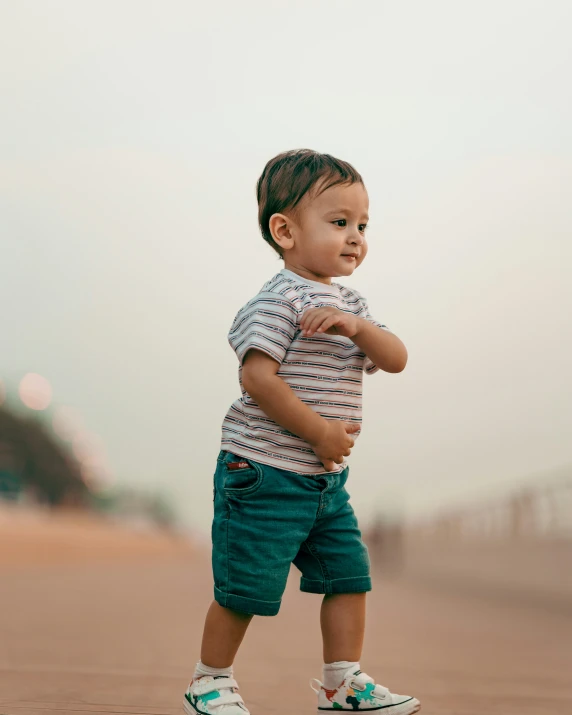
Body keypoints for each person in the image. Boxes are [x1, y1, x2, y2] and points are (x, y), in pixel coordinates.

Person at [184, 150, 420, 715]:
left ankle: (343, 683)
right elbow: (257, 378)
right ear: (285, 231)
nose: (355, 237)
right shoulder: (278, 300)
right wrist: (317, 431)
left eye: (363, 226)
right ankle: (209, 680)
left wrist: (358, 326)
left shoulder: (353, 304)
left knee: (348, 578)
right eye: (339, 223)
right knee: (246, 588)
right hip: (262, 473)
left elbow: (397, 358)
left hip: (325, 483)